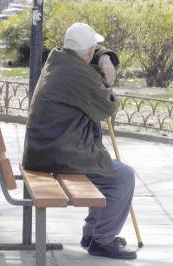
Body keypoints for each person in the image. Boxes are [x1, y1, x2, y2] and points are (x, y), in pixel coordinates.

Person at [22, 22, 137, 260]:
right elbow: (108, 106)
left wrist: (103, 56)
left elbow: (88, 55)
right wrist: (103, 65)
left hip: (48, 149)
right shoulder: (77, 75)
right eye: (95, 50)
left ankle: (93, 233)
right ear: (88, 53)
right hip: (57, 154)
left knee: (105, 169)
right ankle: (101, 240)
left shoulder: (61, 61)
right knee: (122, 177)